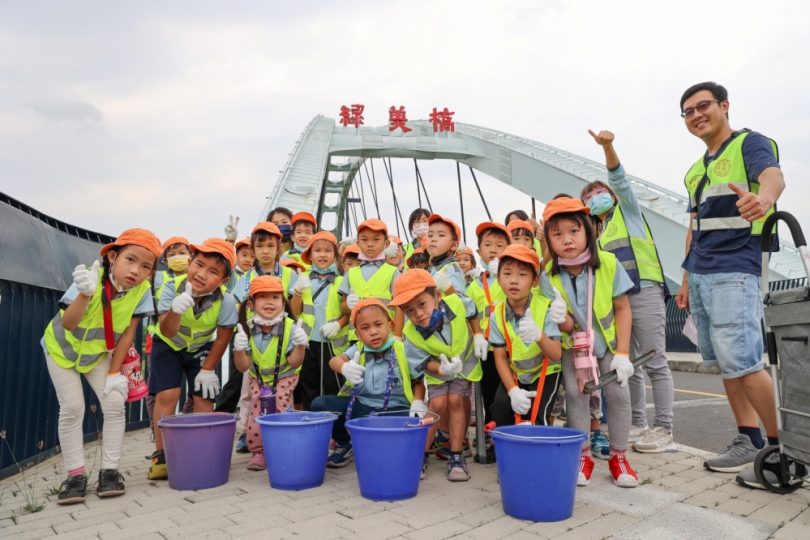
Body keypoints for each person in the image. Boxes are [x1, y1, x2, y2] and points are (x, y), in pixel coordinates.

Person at [675, 82, 784, 488]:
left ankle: (785, 450)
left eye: (703, 106)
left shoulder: (749, 143)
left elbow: (772, 176)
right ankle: (749, 440)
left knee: (743, 358)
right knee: (723, 361)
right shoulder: (693, 169)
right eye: (687, 111)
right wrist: (685, 278)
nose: (696, 115)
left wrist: (765, 199)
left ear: (724, 106)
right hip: (701, 270)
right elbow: (693, 226)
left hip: (735, 266)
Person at [43, 229, 161, 505]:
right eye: (130, 259)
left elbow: (129, 334)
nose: (135, 270)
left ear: (151, 273)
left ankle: (110, 471)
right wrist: (85, 294)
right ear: (112, 256)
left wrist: (113, 373)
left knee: (115, 403)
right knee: (73, 409)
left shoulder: (142, 291)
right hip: (62, 352)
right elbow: (69, 324)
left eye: (146, 266)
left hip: (97, 356)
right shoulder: (88, 277)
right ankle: (74, 476)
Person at [582, 129, 676, 453]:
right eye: (589, 196)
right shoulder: (600, 232)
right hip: (620, 300)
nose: (596, 196)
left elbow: (619, 179)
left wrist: (608, 148)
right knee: (630, 363)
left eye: (599, 191)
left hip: (645, 290)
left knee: (655, 361)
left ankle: (664, 430)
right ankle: (639, 424)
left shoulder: (627, 212)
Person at [540, 197, 639, 488]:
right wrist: (560, 318)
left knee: (619, 394)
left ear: (588, 231)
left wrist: (622, 352)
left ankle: (619, 457)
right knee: (576, 394)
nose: (567, 240)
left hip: (608, 345)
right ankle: (583, 455)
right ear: (548, 240)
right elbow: (567, 325)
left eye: (573, 231)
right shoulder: (548, 275)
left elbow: (622, 308)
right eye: (557, 234)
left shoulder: (608, 263)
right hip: (575, 347)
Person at [147, 238, 239, 480]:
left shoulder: (227, 300)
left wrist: (208, 369)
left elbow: (223, 337)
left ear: (224, 280)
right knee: (167, 395)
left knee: (204, 395)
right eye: (198, 265)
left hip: (201, 348)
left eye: (213, 272)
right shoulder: (170, 288)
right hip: (168, 345)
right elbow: (166, 331)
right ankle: (161, 454)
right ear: (190, 262)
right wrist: (176, 310)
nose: (201, 274)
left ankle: (203, 449)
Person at [311, 298, 424, 468]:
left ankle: (410, 454)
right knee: (320, 404)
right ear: (357, 334)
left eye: (378, 324)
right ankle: (345, 443)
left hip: (396, 411)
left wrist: (418, 401)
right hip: (362, 409)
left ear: (390, 326)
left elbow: (418, 382)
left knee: (413, 424)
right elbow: (334, 360)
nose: (373, 332)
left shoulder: (403, 349)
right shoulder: (358, 349)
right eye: (365, 328)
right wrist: (344, 366)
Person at [392, 270, 482, 482]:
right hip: (437, 368)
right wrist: (443, 370)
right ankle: (419, 455)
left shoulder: (455, 302)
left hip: (465, 360)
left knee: (455, 400)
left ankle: (457, 455)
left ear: (438, 297)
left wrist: (478, 334)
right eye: (409, 310)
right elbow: (421, 362)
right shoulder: (411, 332)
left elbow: (472, 311)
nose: (418, 314)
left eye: (422, 304)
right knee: (438, 403)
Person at [232, 276, 308, 470]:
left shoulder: (291, 327)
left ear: (283, 303)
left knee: (281, 407)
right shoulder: (245, 328)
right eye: (262, 296)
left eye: (275, 297)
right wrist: (238, 348)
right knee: (257, 410)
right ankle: (259, 451)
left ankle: (284, 448)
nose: (269, 301)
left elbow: (294, 361)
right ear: (250, 304)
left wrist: (300, 345)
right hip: (257, 378)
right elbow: (242, 367)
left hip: (285, 376)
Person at [489, 245, 564, 427]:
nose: (514, 281)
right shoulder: (495, 315)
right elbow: (499, 358)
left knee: (538, 417)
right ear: (498, 279)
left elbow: (556, 354)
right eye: (507, 274)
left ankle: (537, 452)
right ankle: (505, 450)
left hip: (545, 373)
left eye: (522, 275)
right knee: (500, 407)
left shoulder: (546, 307)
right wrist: (513, 390)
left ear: (535, 281)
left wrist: (539, 336)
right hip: (518, 374)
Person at [291, 232, 350, 410]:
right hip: (307, 343)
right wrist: (298, 291)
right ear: (309, 255)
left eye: (327, 251)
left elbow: (348, 312)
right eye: (317, 250)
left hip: (332, 343)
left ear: (335, 255)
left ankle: (333, 428)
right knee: (308, 384)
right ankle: (311, 423)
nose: (322, 255)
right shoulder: (302, 279)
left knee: (333, 386)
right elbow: (293, 312)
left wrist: (337, 324)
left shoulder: (341, 281)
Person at [466, 221, 510, 459]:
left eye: (500, 245)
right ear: (478, 250)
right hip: (486, 349)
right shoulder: (473, 284)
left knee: (508, 395)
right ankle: (491, 438)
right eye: (488, 245)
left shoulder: (511, 278)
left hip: (509, 347)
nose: (493, 249)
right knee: (490, 395)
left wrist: (502, 274)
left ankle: (507, 435)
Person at [146, 236, 192, 432]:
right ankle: (156, 429)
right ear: (164, 261)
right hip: (160, 338)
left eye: (182, 253)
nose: (177, 258)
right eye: (171, 255)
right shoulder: (158, 278)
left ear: (191, 255)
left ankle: (188, 421)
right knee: (158, 389)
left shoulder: (198, 277)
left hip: (192, 341)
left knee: (198, 388)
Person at [339, 219, 400, 344]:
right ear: (358, 243)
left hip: (385, 337)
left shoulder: (393, 272)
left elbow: (400, 306)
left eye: (376, 239)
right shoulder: (351, 273)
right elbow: (343, 307)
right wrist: (348, 305)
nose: (370, 244)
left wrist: (398, 335)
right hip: (356, 338)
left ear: (386, 243)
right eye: (364, 240)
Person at [234, 222, 298, 303]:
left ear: (279, 248)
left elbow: (296, 310)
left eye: (270, 246)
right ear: (253, 249)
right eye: (259, 246)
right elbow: (237, 310)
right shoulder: (245, 279)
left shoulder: (291, 275)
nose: (265, 251)